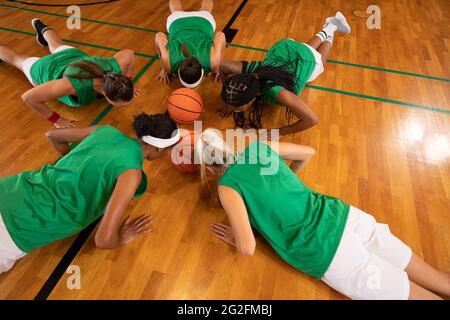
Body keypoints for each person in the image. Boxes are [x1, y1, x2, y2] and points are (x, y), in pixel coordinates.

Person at [195, 128, 450, 300]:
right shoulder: (258, 149)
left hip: (325, 249)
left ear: (207, 166)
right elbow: (308, 153)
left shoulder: (227, 186)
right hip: (343, 215)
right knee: (441, 281)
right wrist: (285, 184)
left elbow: (248, 247)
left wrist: (237, 236)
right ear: (227, 145)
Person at [0, 113, 180, 274]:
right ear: (158, 148)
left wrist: (74, 165)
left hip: (10, 189)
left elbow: (52, 135)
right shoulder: (131, 174)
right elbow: (103, 240)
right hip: (15, 231)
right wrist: (124, 236)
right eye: (168, 150)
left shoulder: (106, 131)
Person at [218, 12, 351, 137]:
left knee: (319, 62)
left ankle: (332, 27)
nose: (235, 110)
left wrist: (279, 132)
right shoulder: (248, 74)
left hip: (305, 59)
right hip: (285, 48)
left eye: (237, 106)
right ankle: (329, 24)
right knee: (305, 48)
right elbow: (222, 66)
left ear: (252, 98)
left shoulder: (277, 92)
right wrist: (231, 99)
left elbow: (312, 120)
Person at [0, 18, 137, 128]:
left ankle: (39, 24)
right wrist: (57, 119)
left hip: (71, 56)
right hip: (46, 69)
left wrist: (126, 81)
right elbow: (29, 97)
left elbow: (129, 53)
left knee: (55, 43)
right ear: (107, 96)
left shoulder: (115, 69)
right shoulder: (74, 85)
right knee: (16, 59)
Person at [155, 0, 226, 88]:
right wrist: (164, 67)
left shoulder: (214, 63)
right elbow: (159, 36)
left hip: (203, 22)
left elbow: (220, 35)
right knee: (176, 10)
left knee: (206, 9)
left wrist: (219, 66)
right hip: (177, 21)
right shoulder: (168, 64)